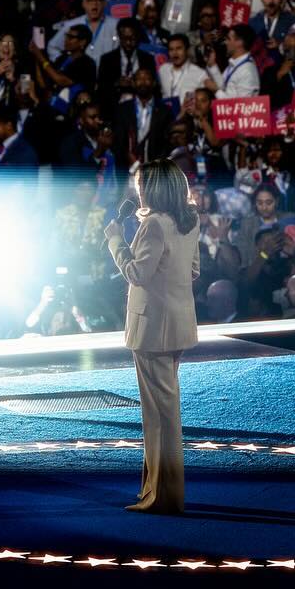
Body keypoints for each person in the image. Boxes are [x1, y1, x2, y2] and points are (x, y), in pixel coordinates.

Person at [102, 159, 201, 514]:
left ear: (153, 188)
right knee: (162, 411)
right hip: (177, 324)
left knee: (160, 414)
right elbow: (193, 270)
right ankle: (154, 490)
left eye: (141, 183)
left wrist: (116, 240)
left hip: (152, 328)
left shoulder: (154, 225)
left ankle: (164, 497)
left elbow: (136, 273)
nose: (138, 189)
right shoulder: (189, 220)